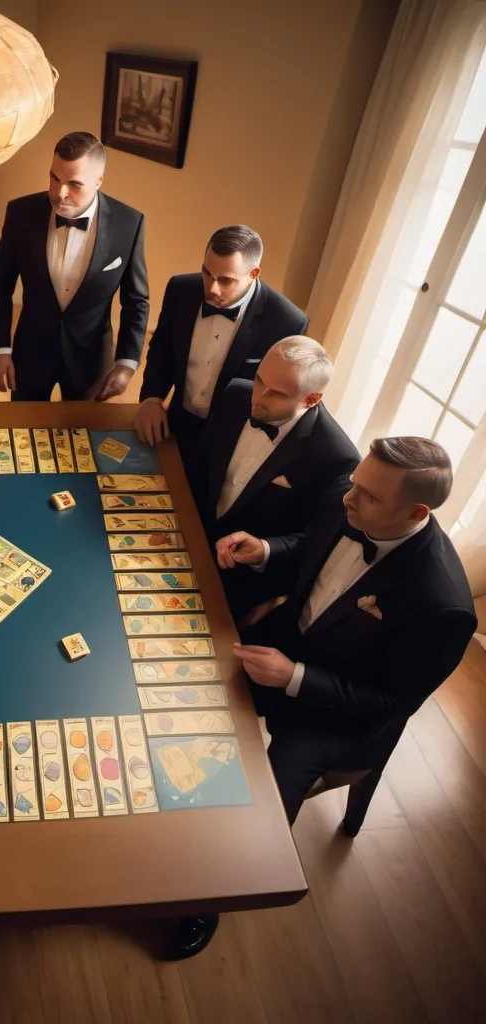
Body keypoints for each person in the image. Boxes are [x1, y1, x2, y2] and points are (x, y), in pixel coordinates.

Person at [168, 437, 476, 961]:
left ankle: (212, 896)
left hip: (337, 712)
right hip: (289, 641)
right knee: (179, 678)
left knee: (267, 794)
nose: (349, 498)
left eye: (369, 496)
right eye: (356, 481)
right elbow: (309, 547)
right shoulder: (351, 497)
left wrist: (296, 678)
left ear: (417, 511)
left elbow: (390, 703)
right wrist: (265, 550)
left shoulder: (442, 604)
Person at [197, 337, 359, 619]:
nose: (257, 397)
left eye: (277, 394)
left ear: (312, 399)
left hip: (242, 577)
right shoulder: (235, 394)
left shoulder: (337, 458)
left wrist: (265, 549)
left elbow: (318, 538)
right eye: (259, 380)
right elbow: (201, 463)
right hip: (189, 529)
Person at [0, 131, 149, 401]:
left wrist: (127, 364)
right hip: (31, 354)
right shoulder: (20, 213)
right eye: (54, 178)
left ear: (98, 182)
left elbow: (137, 301)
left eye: (74, 184)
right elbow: (0, 284)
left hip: (91, 362)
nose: (60, 193)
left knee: (85, 440)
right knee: (22, 434)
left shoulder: (129, 224)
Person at [133, 225, 308, 469]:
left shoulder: (286, 321)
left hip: (232, 444)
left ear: (254, 272)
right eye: (207, 273)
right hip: (174, 424)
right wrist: (151, 399)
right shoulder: (180, 289)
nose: (212, 288)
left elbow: (278, 396)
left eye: (226, 280)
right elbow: (163, 346)